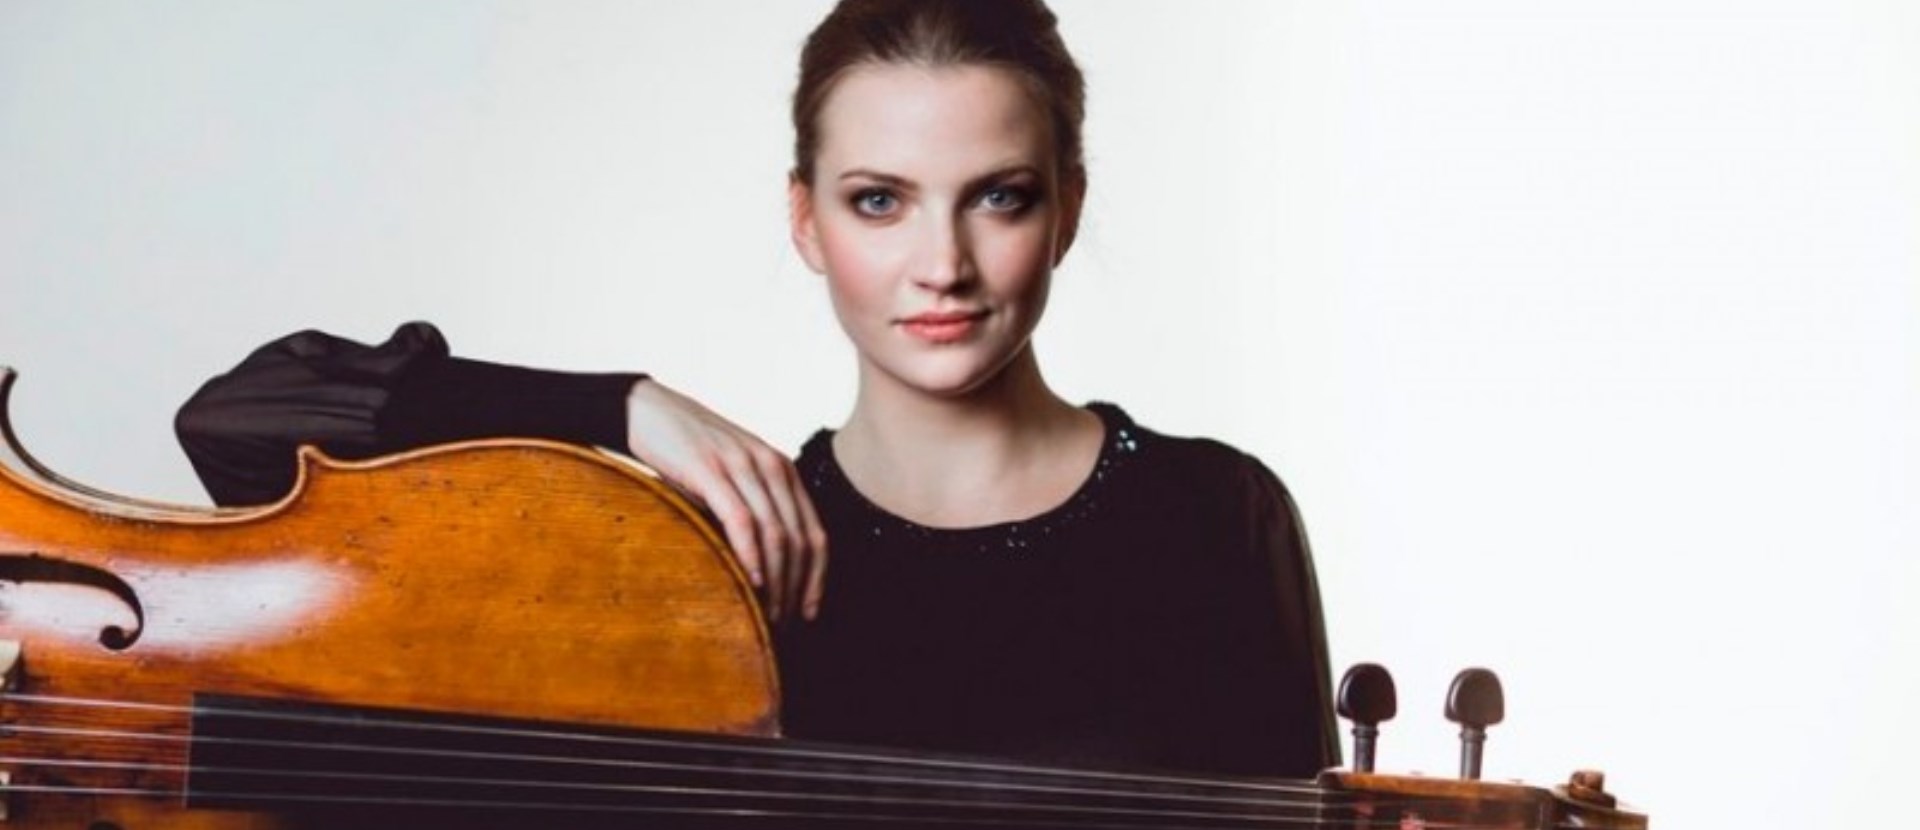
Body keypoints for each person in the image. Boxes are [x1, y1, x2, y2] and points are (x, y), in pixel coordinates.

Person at [175, 0, 1339, 778]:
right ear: (806, 220)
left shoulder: (1215, 513)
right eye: (879, 200)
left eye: (999, 195)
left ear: (1067, 209)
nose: (942, 262)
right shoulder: (709, 553)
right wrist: (620, 406)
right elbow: (239, 421)